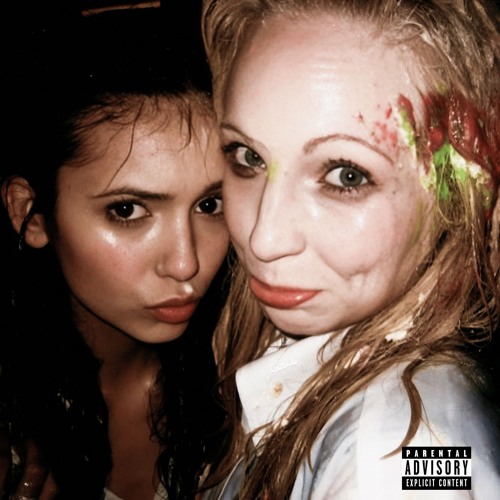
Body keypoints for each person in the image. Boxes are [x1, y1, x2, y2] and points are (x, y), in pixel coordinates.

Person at [200, 0, 500, 498]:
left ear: (457, 191)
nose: (263, 240)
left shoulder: (400, 458)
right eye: (248, 157)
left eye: (346, 176)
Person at [0, 4, 229, 499]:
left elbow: (411, 470)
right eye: (127, 210)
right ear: (31, 215)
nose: (186, 263)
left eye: (211, 204)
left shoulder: (261, 363)